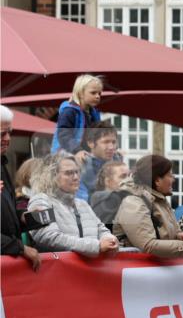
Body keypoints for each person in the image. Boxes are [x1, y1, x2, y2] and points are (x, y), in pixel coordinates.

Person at [114, 155, 183, 258]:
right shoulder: (134, 202)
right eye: (169, 175)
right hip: (133, 269)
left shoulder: (158, 199)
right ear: (157, 180)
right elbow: (147, 245)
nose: (173, 179)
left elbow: (169, 234)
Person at [26, 153, 119, 257]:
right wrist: (96, 246)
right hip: (57, 270)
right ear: (51, 175)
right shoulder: (40, 200)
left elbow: (101, 229)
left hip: (88, 270)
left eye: (77, 172)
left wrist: (110, 239)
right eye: (69, 173)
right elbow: (47, 237)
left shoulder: (82, 204)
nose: (76, 177)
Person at [1, 106, 42, 270]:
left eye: (10, 132)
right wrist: (20, 248)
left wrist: (24, 217)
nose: (7, 138)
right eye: (1, 134)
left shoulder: (2, 163)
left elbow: (7, 208)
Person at [52, 74, 103, 154]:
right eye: (93, 93)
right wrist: (77, 150)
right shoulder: (69, 111)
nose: (97, 96)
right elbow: (64, 135)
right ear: (80, 93)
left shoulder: (95, 114)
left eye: (99, 93)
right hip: (65, 154)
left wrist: (109, 150)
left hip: (85, 154)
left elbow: (99, 136)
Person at [76, 120, 120, 202]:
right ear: (90, 143)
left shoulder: (118, 162)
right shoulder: (81, 166)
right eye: (106, 142)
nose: (111, 147)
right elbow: (82, 203)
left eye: (113, 142)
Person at [89, 161, 131, 229]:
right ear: (108, 181)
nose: (129, 180)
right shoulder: (110, 200)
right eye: (123, 176)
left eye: (129, 175)